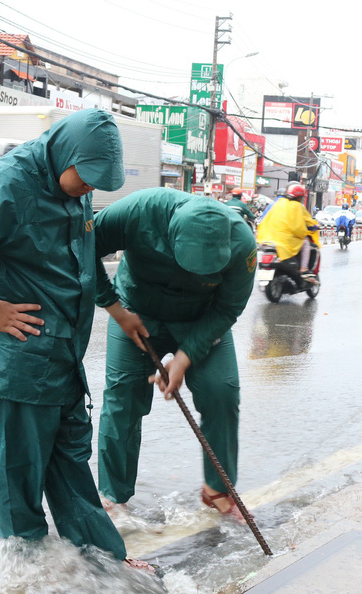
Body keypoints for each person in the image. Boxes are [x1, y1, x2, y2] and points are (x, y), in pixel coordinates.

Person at [0, 109, 151, 570]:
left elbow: (82, 262)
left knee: (68, 452)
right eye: (84, 178)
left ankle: (100, 556)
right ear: (65, 154)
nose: (88, 189)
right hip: (22, 352)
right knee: (21, 463)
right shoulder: (9, 184)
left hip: (63, 350)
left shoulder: (73, 187)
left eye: (96, 183)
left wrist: (117, 311)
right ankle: (23, 559)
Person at [93, 188, 257, 518]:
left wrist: (183, 358)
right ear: (171, 234)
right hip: (134, 311)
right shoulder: (138, 210)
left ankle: (217, 489)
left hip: (201, 320)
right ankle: (113, 496)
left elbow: (228, 308)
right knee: (123, 397)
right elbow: (82, 248)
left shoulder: (243, 244)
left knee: (221, 390)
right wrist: (115, 309)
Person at [256, 182, 320, 283]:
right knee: (306, 243)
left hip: (267, 238)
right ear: (300, 197)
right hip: (285, 240)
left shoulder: (277, 204)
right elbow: (304, 224)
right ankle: (303, 269)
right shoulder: (298, 206)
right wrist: (315, 226)